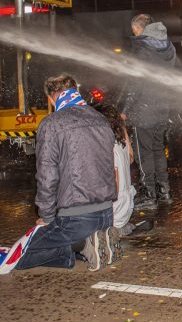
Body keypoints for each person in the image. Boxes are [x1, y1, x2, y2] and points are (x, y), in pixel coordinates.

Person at [15, 74, 119, 272]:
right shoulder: (101, 119)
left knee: (18, 256)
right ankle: (90, 245)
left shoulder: (52, 123)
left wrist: (46, 216)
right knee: (52, 250)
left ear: (51, 98)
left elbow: (47, 175)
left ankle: (83, 244)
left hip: (76, 218)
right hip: (106, 214)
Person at [122, 14, 177, 210]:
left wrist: (125, 110)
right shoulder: (167, 47)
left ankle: (149, 195)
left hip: (144, 109)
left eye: (134, 31)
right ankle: (165, 191)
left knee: (144, 153)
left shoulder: (142, 49)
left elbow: (135, 83)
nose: (133, 34)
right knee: (158, 150)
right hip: (163, 107)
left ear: (140, 29)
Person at [95, 103, 137, 237]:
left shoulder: (109, 150)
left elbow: (114, 186)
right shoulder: (120, 144)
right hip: (126, 209)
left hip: (114, 214)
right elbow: (131, 158)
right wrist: (122, 126)